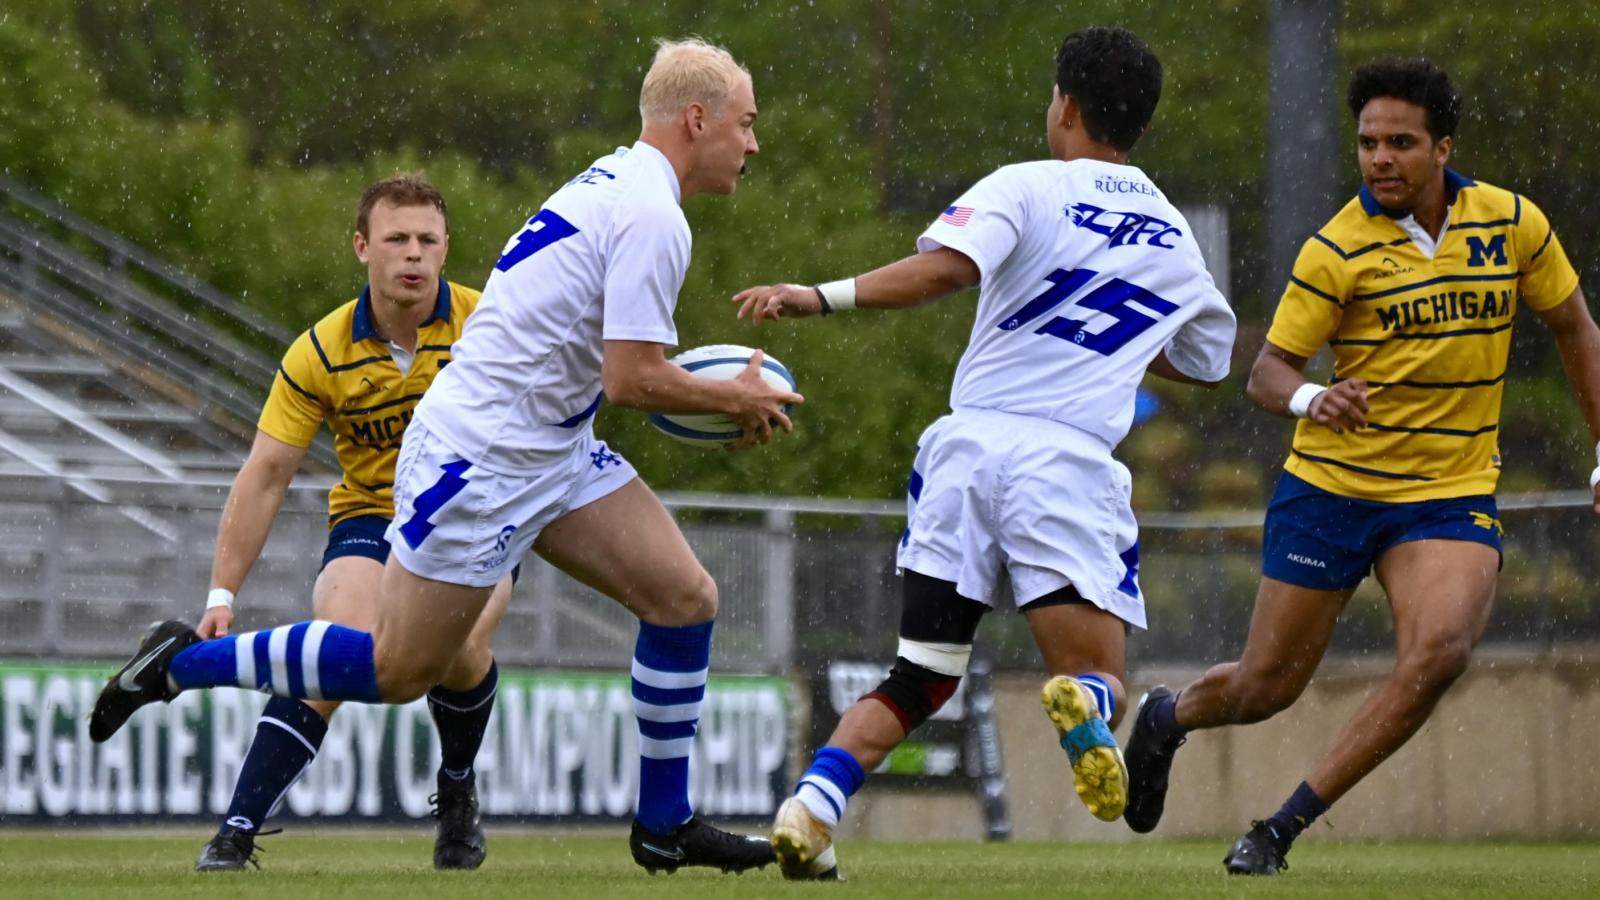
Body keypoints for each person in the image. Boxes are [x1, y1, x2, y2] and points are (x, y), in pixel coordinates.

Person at [89, 38, 798, 875]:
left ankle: (664, 824)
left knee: (685, 598)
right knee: (396, 669)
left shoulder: (618, 179)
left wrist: (715, 397)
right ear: (696, 118)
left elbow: (611, 375)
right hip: (482, 460)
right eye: (746, 125)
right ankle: (179, 666)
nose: (753, 145)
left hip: (553, 445)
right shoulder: (652, 215)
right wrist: (734, 398)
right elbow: (634, 379)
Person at [732, 26, 1236, 880]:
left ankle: (813, 806)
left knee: (922, 673)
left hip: (967, 448)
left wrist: (817, 296)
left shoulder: (1025, 186)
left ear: (1066, 105)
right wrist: (1107, 346)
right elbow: (1205, 361)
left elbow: (945, 271)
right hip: (1066, 465)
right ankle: (1090, 706)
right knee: (1098, 675)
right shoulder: (1171, 234)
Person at [1119, 58, 1600, 876]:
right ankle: (1168, 718)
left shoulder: (1514, 225)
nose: (1379, 158)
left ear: (1443, 147)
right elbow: (1267, 373)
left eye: (1400, 142)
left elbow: (1577, 329)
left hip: (1447, 495)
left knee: (1440, 650)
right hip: (1331, 492)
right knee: (1263, 690)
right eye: (1368, 142)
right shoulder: (1337, 247)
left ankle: (1278, 829)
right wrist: (1313, 399)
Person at [187, 174, 513, 872]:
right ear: (362, 247)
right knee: (336, 653)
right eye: (396, 239)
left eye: (428, 240)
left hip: (474, 523)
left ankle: (456, 790)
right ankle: (236, 832)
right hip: (371, 519)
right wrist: (221, 595)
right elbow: (266, 474)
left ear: (447, 247)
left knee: (454, 654)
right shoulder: (320, 350)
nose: (414, 255)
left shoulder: (491, 325)